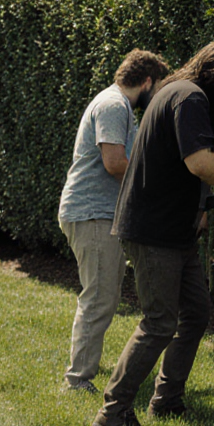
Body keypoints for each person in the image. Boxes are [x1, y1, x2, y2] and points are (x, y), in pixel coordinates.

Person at [91, 39, 214, 426]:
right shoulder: (189, 97)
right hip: (154, 231)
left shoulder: (175, 90)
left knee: (196, 312)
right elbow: (200, 161)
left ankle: (166, 400)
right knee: (159, 322)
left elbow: (181, 165)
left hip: (173, 228)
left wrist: (199, 209)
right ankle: (112, 413)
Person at [57, 49, 170, 393]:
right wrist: (159, 183)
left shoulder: (118, 106)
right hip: (92, 213)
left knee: (102, 293)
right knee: (100, 297)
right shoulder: (113, 105)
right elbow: (114, 162)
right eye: (160, 88)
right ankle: (77, 380)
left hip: (98, 213)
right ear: (147, 81)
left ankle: (86, 365)